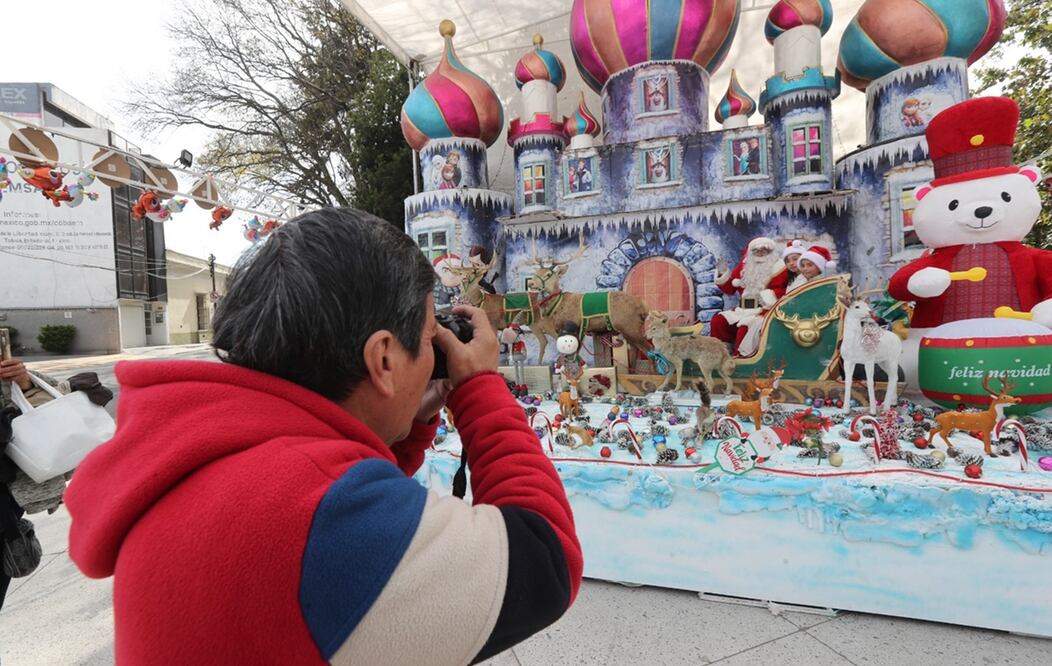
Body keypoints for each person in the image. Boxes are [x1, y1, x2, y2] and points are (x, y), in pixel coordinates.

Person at [65, 208, 583, 665]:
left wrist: (410, 421)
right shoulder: (319, 520)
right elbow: (545, 562)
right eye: (428, 338)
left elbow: (333, 487)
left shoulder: (191, 451)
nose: (435, 354)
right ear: (383, 358)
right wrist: (480, 388)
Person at [711, 237, 789, 355]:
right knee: (719, 321)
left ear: (770, 252)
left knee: (745, 327)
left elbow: (781, 291)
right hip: (741, 310)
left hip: (765, 311)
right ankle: (721, 354)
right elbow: (730, 289)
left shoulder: (779, 268)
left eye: (764, 250)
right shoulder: (745, 266)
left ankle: (742, 360)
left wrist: (763, 298)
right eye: (756, 250)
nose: (760, 252)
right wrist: (722, 272)